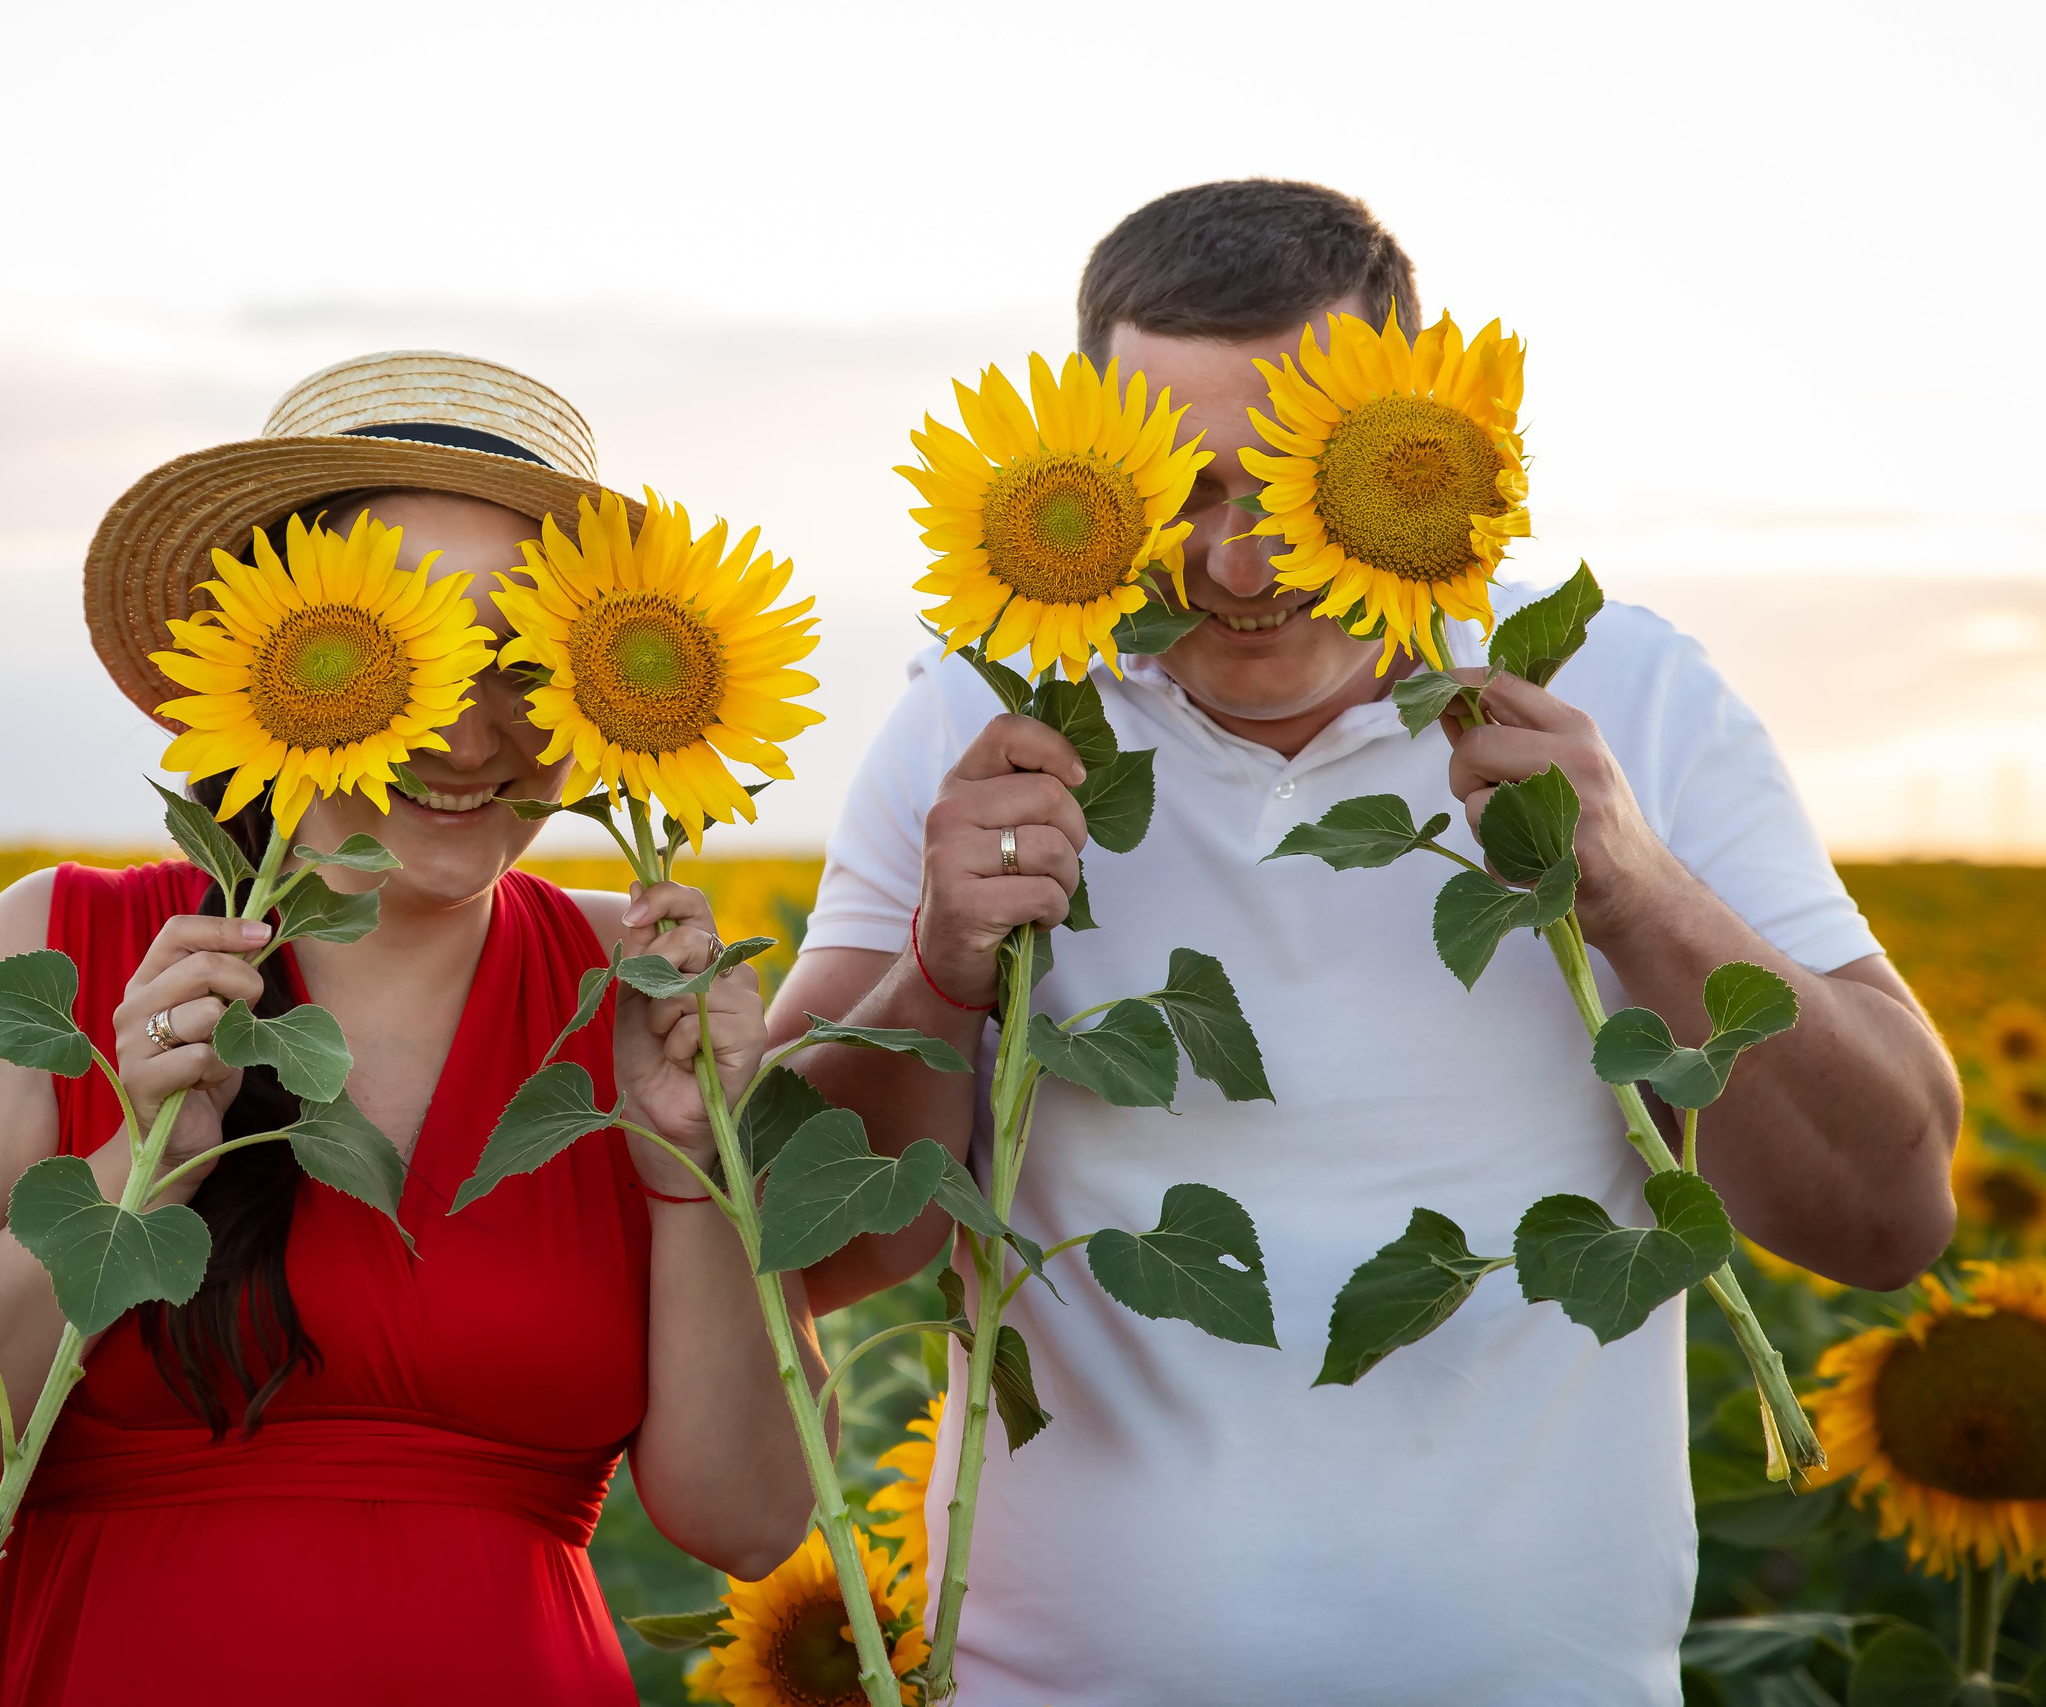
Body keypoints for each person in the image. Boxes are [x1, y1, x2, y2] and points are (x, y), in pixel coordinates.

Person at [772, 181, 1961, 1704]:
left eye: (1286, 484)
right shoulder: (979, 720)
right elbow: (804, 1246)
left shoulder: (1630, 694)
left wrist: (1638, 894)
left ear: (1406, 440)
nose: (1239, 564)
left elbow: (1886, 1218)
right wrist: (936, 968)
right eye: (1180, 490)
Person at [0, 352, 821, 1703]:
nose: (470, 733)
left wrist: (698, 1171)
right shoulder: (62, 954)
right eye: (405, 654)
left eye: (520, 664)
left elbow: (749, 1522)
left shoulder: (642, 993)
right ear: (269, 660)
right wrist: (133, 1177)